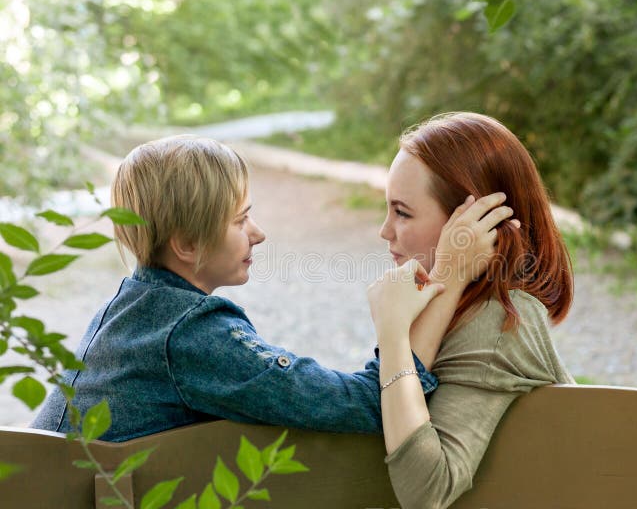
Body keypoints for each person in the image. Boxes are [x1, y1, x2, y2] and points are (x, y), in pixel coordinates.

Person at [31, 135, 514, 442]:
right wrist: (450, 275)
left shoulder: (132, 307)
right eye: (241, 220)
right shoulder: (193, 335)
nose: (258, 233)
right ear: (185, 243)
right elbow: (366, 406)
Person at [368, 112, 575, 508]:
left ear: (472, 225)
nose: (385, 231)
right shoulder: (462, 308)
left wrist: (392, 335)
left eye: (403, 212)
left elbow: (428, 490)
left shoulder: (494, 324)